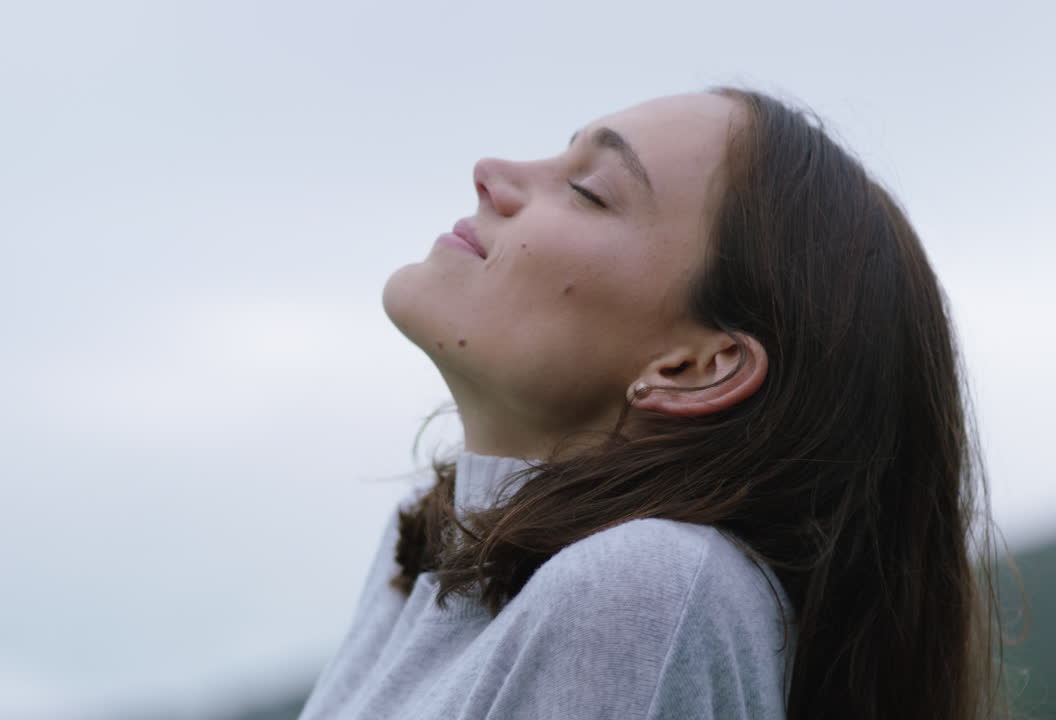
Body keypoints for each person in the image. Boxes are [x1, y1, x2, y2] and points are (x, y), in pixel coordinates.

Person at [297, 88, 1009, 720]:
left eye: (587, 190)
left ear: (696, 367)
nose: (492, 172)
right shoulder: (436, 543)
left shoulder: (644, 591)